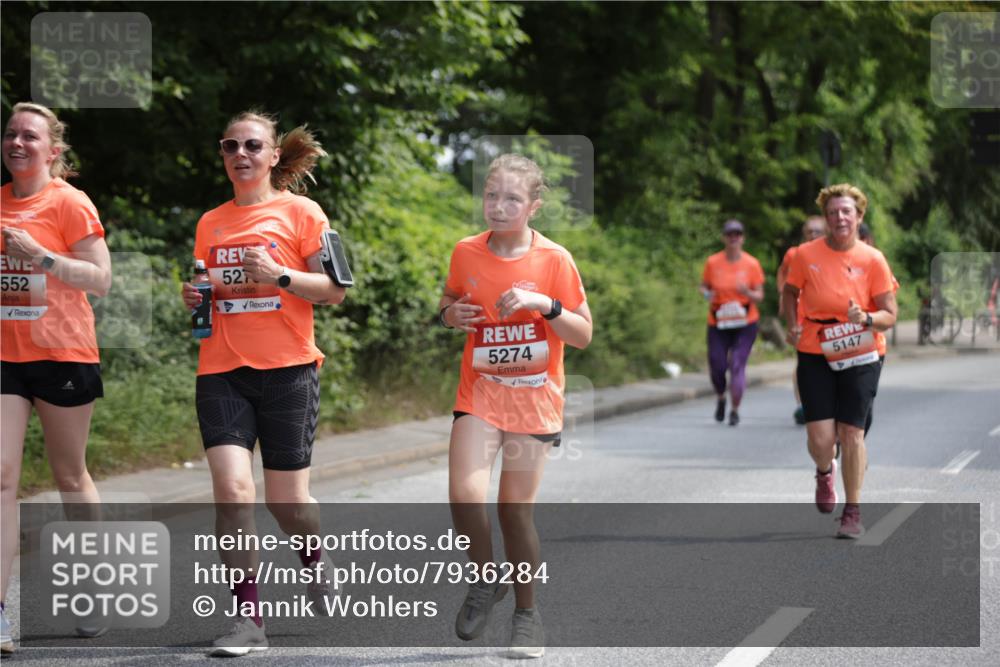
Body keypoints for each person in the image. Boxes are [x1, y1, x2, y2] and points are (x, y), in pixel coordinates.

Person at [179, 110, 346, 657]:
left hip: (289, 370)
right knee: (231, 491)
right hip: (222, 369)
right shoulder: (210, 222)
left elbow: (334, 290)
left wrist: (277, 274)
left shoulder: (303, 212)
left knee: (288, 504)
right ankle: (248, 619)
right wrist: (197, 297)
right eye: (230, 145)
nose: (240, 154)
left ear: (274, 156)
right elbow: (213, 289)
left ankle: (315, 559)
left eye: (253, 145)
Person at [440, 154, 592, 659]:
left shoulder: (554, 260)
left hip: (534, 401)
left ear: (533, 206)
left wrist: (543, 306)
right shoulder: (465, 252)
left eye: (510, 198)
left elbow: (583, 333)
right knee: (464, 496)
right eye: (491, 195)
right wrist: (450, 314)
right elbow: (450, 303)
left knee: (513, 512)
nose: (497, 206)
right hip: (480, 392)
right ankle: (485, 581)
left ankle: (527, 615)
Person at [1, 102, 112, 654]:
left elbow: (100, 279)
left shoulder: (69, 203)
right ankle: (0, 611)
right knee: (2, 477)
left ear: (53, 151)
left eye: (30, 136)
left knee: (70, 476)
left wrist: (41, 255)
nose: (17, 143)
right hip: (4, 355)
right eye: (11, 134)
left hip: (63, 352)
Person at [783, 183, 897, 539]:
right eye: (833, 212)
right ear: (826, 218)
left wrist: (865, 318)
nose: (839, 218)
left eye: (846, 211)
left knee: (851, 432)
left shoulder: (872, 259)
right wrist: (791, 322)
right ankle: (823, 471)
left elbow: (890, 314)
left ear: (859, 216)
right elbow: (790, 292)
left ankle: (852, 512)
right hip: (816, 348)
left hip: (863, 349)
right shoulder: (805, 254)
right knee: (821, 438)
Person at [699, 219, 765, 426]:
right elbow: (703, 287)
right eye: (730, 234)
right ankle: (720, 397)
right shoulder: (713, 262)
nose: (733, 238)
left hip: (745, 322)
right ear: (724, 238)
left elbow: (760, 295)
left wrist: (747, 292)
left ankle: (735, 408)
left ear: (742, 238)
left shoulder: (751, 264)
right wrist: (707, 294)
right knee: (717, 364)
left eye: (737, 234)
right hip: (719, 321)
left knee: (737, 364)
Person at [777, 216, 827, 425]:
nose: (813, 235)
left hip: (826, 318)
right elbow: (783, 277)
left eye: (818, 231)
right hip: (801, 317)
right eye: (809, 232)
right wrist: (784, 296)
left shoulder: (831, 254)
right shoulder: (793, 254)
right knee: (803, 361)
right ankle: (802, 405)